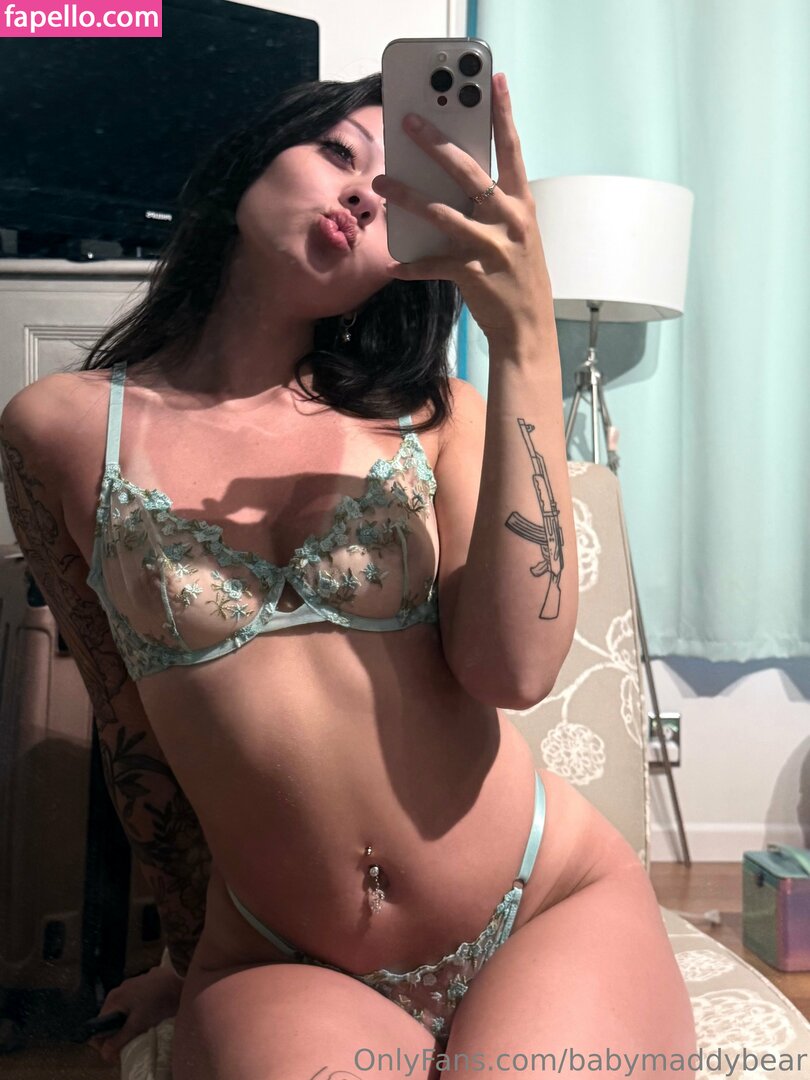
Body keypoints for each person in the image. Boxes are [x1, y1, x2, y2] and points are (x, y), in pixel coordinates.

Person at [0, 71, 697, 1079]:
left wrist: (525, 340)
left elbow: (514, 671)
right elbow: (128, 725)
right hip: (279, 955)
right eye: (337, 153)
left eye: (395, 190)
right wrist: (184, 955)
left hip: (544, 904)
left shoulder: (437, 418)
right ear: (249, 166)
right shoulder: (59, 429)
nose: (365, 194)